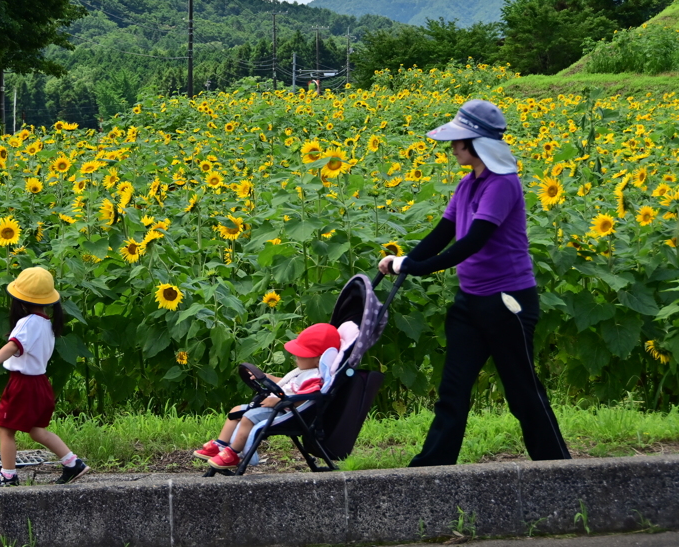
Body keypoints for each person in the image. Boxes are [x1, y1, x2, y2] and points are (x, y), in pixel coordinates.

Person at [378, 99, 571, 466]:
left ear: (477, 143)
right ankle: (431, 469)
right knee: (453, 390)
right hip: (470, 302)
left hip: (507, 302)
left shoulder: (502, 184)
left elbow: (472, 242)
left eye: (459, 140)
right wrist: (404, 261)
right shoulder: (468, 186)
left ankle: (556, 466)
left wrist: (416, 267)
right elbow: (443, 233)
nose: (453, 147)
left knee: (522, 392)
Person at [192, 323, 342, 470]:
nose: (295, 357)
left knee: (248, 417)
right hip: (278, 406)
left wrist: (279, 401)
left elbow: (306, 397)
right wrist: (267, 377)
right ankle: (220, 445)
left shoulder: (313, 377)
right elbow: (285, 384)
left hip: (286, 412)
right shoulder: (303, 372)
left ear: (318, 359)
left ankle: (233, 453)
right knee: (235, 411)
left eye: (300, 355)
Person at [0, 266, 89, 487]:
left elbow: (13, 346)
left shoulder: (27, 323)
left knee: (6, 429)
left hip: (23, 384)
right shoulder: (47, 324)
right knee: (36, 430)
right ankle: (73, 463)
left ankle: (8, 475)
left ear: (20, 300)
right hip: (41, 383)